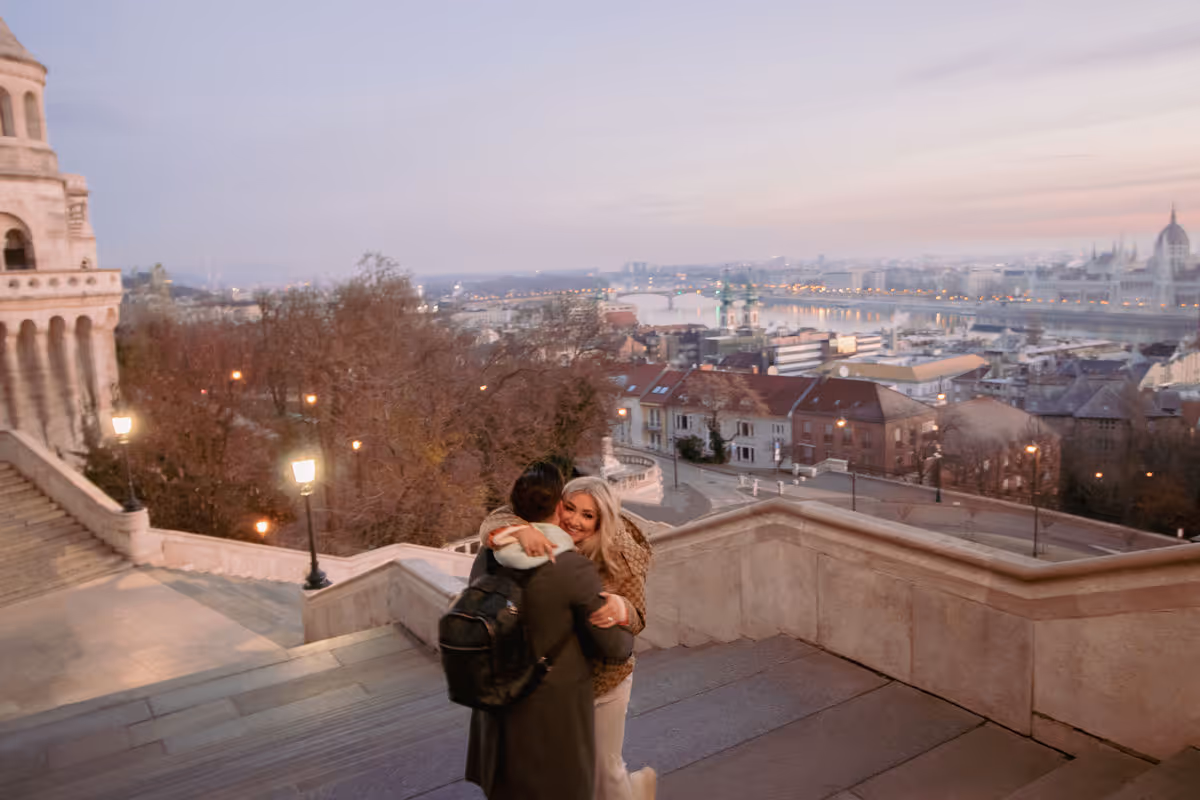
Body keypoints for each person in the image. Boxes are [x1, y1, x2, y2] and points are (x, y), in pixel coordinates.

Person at [480, 474, 655, 800]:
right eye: (569, 509)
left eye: (587, 516)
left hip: (605, 681)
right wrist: (522, 529)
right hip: (552, 683)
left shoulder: (619, 555)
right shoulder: (544, 530)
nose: (574, 521)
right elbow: (496, 518)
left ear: (601, 520)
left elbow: (639, 618)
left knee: (605, 770)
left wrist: (620, 607)